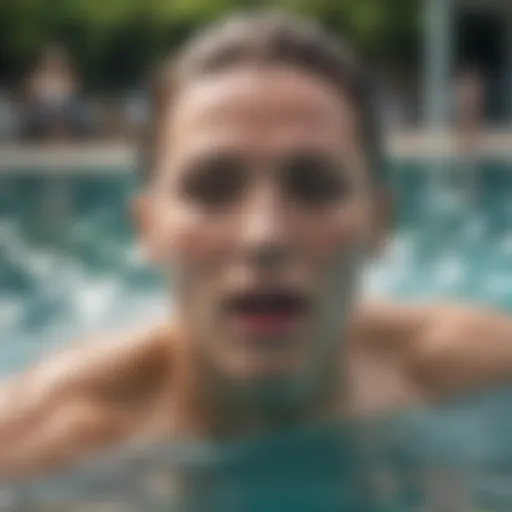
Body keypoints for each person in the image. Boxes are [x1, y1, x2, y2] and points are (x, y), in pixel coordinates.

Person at [1, 10, 511, 508]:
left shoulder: (476, 368)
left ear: (379, 223)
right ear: (147, 228)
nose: (264, 236)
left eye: (314, 185)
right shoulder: (32, 443)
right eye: (212, 188)